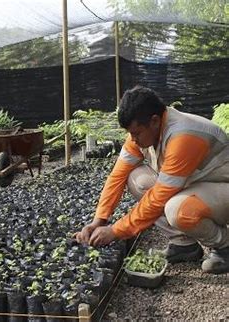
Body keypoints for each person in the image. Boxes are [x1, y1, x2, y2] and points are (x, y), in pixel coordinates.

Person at [75, 86, 229, 274]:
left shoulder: (184, 135)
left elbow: (160, 197)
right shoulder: (144, 133)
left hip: (222, 185)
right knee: (137, 180)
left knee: (177, 209)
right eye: (130, 133)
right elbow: (117, 176)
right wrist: (99, 220)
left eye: (136, 133)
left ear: (154, 121)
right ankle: (183, 245)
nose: (133, 139)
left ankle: (224, 246)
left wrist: (116, 231)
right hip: (197, 183)